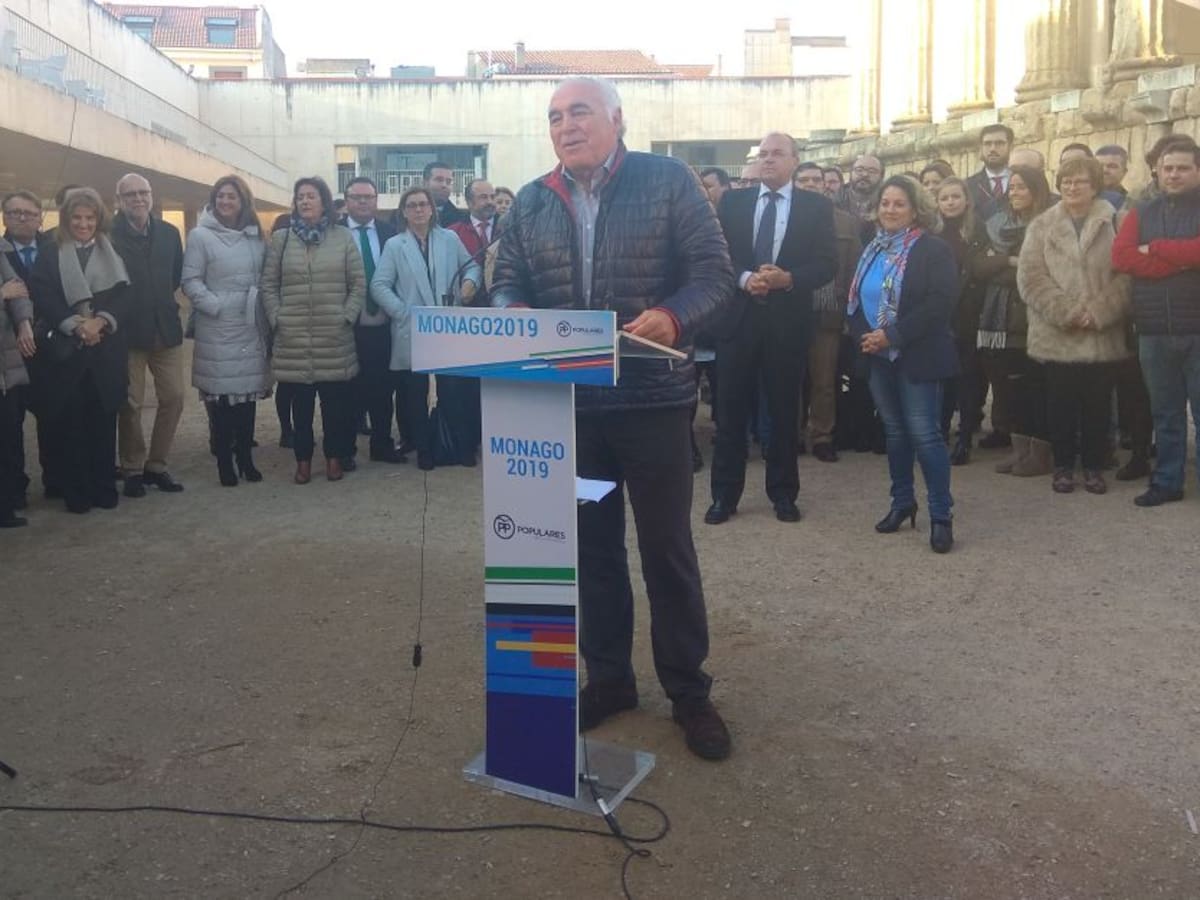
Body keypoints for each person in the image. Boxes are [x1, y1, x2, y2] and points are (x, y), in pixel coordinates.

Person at [491, 76, 735, 761]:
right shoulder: (532, 201)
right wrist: (511, 311)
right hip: (573, 413)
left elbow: (716, 275)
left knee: (665, 549)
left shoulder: (668, 181)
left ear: (617, 118)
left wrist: (675, 316)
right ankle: (610, 679)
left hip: (651, 406)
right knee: (594, 547)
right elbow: (506, 281)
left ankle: (688, 691)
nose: (566, 126)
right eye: (554, 117)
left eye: (580, 112)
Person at [706, 134, 836, 524]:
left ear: (795, 160)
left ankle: (783, 493)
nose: (768, 160)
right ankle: (724, 495)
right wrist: (745, 278)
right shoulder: (735, 202)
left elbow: (827, 262)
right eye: (763, 154)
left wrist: (789, 279)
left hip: (786, 322)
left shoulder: (815, 206)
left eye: (777, 154)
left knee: (783, 412)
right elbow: (718, 253)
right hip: (739, 320)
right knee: (730, 413)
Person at [847, 175, 959, 553]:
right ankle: (902, 502)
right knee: (894, 433)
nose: (890, 210)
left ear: (915, 210)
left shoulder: (933, 249)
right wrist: (865, 336)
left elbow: (940, 303)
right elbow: (855, 299)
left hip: (917, 354)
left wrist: (892, 335)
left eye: (899, 204)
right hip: (877, 356)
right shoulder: (872, 248)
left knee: (925, 435)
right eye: (885, 203)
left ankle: (941, 515)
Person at [1017, 157, 1131, 494]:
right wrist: (1066, 312)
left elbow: (1127, 275)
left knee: (1098, 406)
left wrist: (1098, 312)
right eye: (1066, 181)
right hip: (1057, 334)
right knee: (1060, 406)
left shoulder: (1116, 221)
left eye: (1080, 181)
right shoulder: (1041, 225)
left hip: (1101, 334)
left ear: (1094, 185)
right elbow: (1030, 277)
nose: (1072, 187)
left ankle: (1094, 467)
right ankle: (1063, 467)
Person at [27, 188, 130, 514]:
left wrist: (100, 322)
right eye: (77, 218)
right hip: (66, 351)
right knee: (71, 425)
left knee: (103, 423)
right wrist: (76, 325)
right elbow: (43, 293)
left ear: (99, 219)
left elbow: (125, 295)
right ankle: (77, 491)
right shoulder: (50, 252)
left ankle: (104, 487)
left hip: (104, 349)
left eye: (90, 217)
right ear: (66, 219)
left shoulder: (113, 249)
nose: (83, 224)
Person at [1112, 139, 1200, 507]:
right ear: (1158, 172)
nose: (1174, 175)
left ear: (1197, 171)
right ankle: (1167, 481)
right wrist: (1181, 264)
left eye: (1182, 168)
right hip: (1154, 330)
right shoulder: (1142, 212)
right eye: (1168, 168)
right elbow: (1122, 257)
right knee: (1165, 413)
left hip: (1196, 327)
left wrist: (1158, 249)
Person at [262, 176, 365, 485]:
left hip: (334, 336)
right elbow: (268, 285)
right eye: (300, 197)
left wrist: (347, 316)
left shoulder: (342, 236)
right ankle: (303, 460)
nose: (305, 201)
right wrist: (277, 317)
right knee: (301, 407)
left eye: (311, 196)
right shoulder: (281, 239)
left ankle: (334, 458)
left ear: (324, 202)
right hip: (293, 336)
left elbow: (358, 283)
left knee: (335, 407)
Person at [370, 186, 479, 470]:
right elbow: (379, 285)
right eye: (412, 205)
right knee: (416, 397)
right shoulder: (395, 245)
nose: (418, 209)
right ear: (404, 212)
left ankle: (460, 447)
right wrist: (402, 312)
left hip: (447, 328)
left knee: (452, 390)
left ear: (432, 209)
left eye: (423, 204)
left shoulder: (449, 238)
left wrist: (469, 284)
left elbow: (472, 267)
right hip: (413, 329)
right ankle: (424, 450)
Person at [182, 175, 272, 487]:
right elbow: (190, 280)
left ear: (243, 201)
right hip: (218, 325)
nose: (225, 201)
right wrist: (215, 305)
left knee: (247, 398)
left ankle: (246, 458)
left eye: (231, 196)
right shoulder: (200, 236)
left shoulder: (255, 236)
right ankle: (224, 462)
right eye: (220, 196)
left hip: (250, 323)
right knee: (221, 399)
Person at [973, 165, 1055, 476]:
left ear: (1036, 189)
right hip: (1001, 320)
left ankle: (1040, 454)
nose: (1015, 193)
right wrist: (1009, 260)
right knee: (1011, 390)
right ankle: (1020, 451)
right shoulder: (996, 224)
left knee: (1037, 388)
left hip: (1034, 318)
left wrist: (1001, 267)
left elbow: (1038, 272)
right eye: (1012, 187)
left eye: (1021, 187)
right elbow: (978, 267)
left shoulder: (1048, 225)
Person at [110, 174, 186, 498]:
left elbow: (175, 275)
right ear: (119, 200)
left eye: (143, 192)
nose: (138, 199)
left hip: (165, 328)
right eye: (130, 194)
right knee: (131, 404)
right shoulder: (107, 235)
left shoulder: (169, 233)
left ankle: (157, 464)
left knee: (175, 397)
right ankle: (132, 468)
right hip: (127, 332)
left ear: (152, 196)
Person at [794, 161, 861, 463]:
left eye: (816, 179)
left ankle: (822, 435)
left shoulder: (846, 222)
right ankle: (792, 434)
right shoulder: (784, 216)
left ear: (826, 185)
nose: (810, 184)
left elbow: (855, 267)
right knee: (791, 378)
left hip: (830, 308)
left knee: (824, 380)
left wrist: (849, 308)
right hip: (792, 307)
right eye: (804, 180)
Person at [340, 176, 404, 467]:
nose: (363, 202)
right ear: (347, 201)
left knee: (382, 389)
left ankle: (381, 444)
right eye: (357, 197)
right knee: (347, 391)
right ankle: (345, 449)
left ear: (376, 200)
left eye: (368, 197)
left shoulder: (391, 233)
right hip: (347, 325)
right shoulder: (334, 233)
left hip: (383, 325)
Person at [3, 189, 54, 504]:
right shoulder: (1, 252)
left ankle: (56, 479)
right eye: (14, 212)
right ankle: (15, 488)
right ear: (5, 217)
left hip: (52, 347)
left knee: (54, 417)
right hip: (11, 352)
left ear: (39, 218)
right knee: (11, 424)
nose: (22, 218)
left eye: (29, 213)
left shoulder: (55, 248)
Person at [935, 177, 989, 465]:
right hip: (939, 314)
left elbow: (982, 269)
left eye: (955, 196)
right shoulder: (931, 231)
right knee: (942, 378)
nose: (950, 202)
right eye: (944, 198)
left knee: (968, 379)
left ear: (966, 200)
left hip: (970, 312)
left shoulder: (979, 229)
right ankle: (940, 432)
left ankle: (965, 437)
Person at [1, 242, 34, 527]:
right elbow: (8, 291)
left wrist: (24, 323)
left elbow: (18, 290)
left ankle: (7, 504)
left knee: (9, 434)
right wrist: (2, 294)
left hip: (7, 360)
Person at [966, 124, 1014, 220]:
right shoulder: (968, 186)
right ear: (981, 148)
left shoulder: (1022, 182)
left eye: (999, 143)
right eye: (987, 144)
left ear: (1010, 147)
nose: (993, 149)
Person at [839, 155, 883, 220]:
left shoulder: (888, 205)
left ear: (881, 176)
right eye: (859, 170)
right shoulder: (834, 203)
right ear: (851, 173)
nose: (865, 174)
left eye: (872, 171)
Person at [423, 161, 466, 226]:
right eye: (439, 180)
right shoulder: (408, 215)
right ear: (425, 183)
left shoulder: (462, 221)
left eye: (448, 181)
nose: (444, 185)